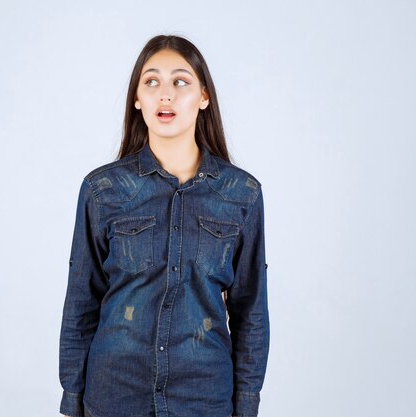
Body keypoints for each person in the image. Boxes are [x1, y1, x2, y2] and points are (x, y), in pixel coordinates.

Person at [59, 34, 270, 417]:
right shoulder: (102, 190)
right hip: (114, 396)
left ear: (203, 97)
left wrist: (246, 405)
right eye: (152, 81)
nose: (165, 95)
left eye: (181, 81)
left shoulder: (241, 194)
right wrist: (73, 402)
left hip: (204, 398)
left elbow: (251, 313)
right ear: (137, 99)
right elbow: (80, 304)